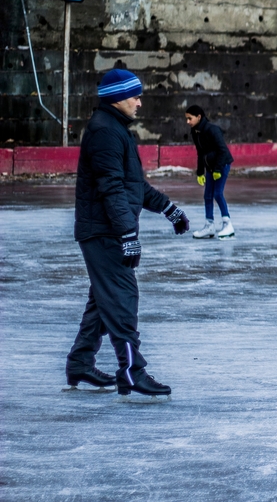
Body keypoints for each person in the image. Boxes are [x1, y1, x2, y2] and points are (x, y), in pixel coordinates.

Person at [66, 69, 189, 399]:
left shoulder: (116, 129)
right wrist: (127, 234)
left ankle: (80, 362)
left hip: (104, 230)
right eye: (134, 95)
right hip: (103, 232)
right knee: (121, 298)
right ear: (118, 97)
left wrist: (168, 209)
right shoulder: (106, 132)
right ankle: (132, 371)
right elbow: (110, 188)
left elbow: (135, 187)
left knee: (103, 300)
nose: (139, 101)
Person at [185, 105, 236, 239]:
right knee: (208, 195)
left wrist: (218, 169)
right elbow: (200, 153)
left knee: (217, 194)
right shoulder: (195, 132)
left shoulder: (212, 130)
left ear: (199, 117)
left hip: (222, 165)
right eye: (187, 119)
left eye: (190, 118)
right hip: (210, 167)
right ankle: (209, 225)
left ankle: (227, 225)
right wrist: (200, 172)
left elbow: (222, 150)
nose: (188, 122)